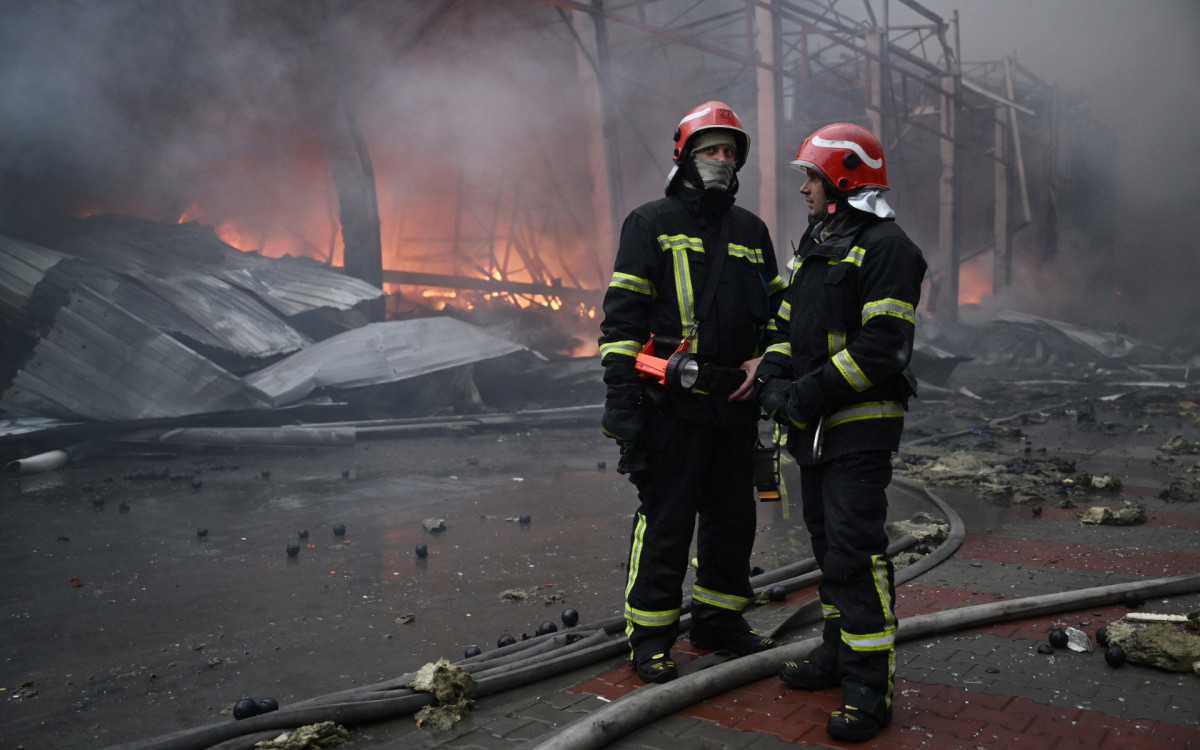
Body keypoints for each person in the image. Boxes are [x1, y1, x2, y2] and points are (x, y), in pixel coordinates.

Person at [598, 101, 787, 684]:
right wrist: (623, 404)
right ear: (684, 155)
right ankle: (650, 637)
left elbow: (781, 313)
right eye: (711, 150)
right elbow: (621, 322)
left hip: (734, 404)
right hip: (671, 407)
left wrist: (770, 357)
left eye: (731, 152)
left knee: (733, 523)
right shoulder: (649, 222)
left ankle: (718, 622)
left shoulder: (752, 231)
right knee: (667, 522)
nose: (722, 161)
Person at [753, 123, 927, 742]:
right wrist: (773, 372)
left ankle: (868, 686)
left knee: (855, 554)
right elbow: (785, 319)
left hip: (857, 427)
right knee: (828, 551)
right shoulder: (820, 240)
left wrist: (804, 393)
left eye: (812, 177)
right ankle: (835, 652)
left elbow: (883, 347)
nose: (804, 188)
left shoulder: (887, 248)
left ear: (843, 180)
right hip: (814, 430)